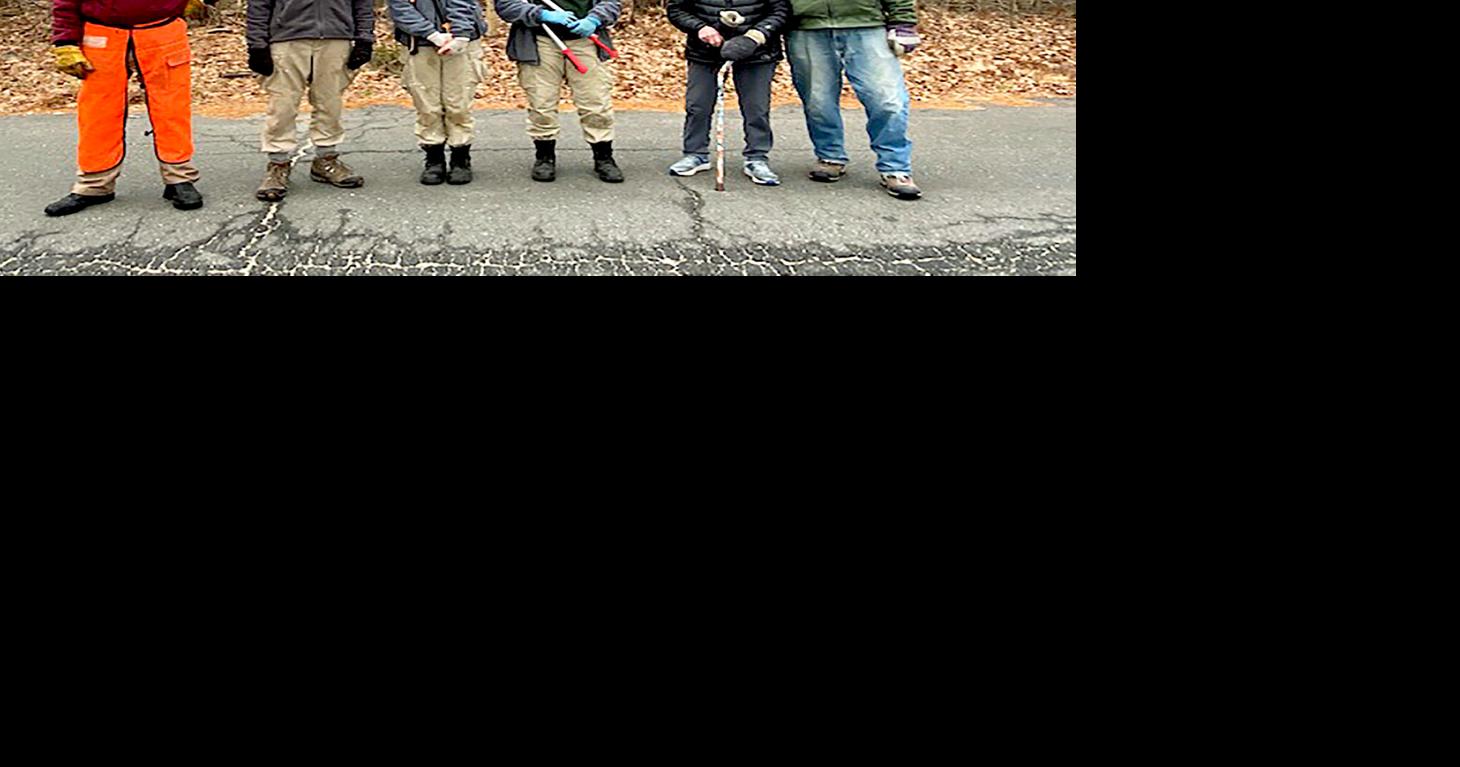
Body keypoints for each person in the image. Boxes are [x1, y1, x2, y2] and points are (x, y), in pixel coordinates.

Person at [45, 0, 217, 217]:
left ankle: (179, 178)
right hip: (101, 33)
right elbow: (65, 2)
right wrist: (65, 42)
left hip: (164, 32)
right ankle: (95, 184)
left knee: (172, 109)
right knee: (98, 113)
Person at [786, 0, 923, 199]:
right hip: (806, 28)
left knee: (887, 100)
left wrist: (903, 22)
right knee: (818, 101)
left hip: (867, 25)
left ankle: (895, 168)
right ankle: (829, 156)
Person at [247, 0, 376, 202]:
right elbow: (258, 5)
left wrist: (364, 39)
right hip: (286, 39)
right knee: (282, 105)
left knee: (330, 104)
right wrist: (257, 45)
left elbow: (363, 4)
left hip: (336, 37)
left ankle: (326, 160)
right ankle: (278, 165)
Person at [494, 0, 623, 183]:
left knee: (596, 102)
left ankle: (603, 157)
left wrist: (594, 19)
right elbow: (506, 5)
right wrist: (541, 14)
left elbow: (611, 2)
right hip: (539, 41)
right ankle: (544, 157)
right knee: (541, 103)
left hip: (584, 41)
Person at [666, 0, 789, 186]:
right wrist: (700, 27)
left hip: (757, 51)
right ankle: (695, 154)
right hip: (705, 51)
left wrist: (755, 36)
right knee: (698, 105)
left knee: (756, 108)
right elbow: (676, 10)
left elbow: (781, 11)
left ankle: (757, 157)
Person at [387, 0, 488, 185]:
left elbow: (463, 3)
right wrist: (432, 34)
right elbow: (400, 8)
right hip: (418, 44)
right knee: (427, 105)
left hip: (462, 42)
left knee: (459, 103)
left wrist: (461, 34)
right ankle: (434, 159)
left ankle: (461, 158)